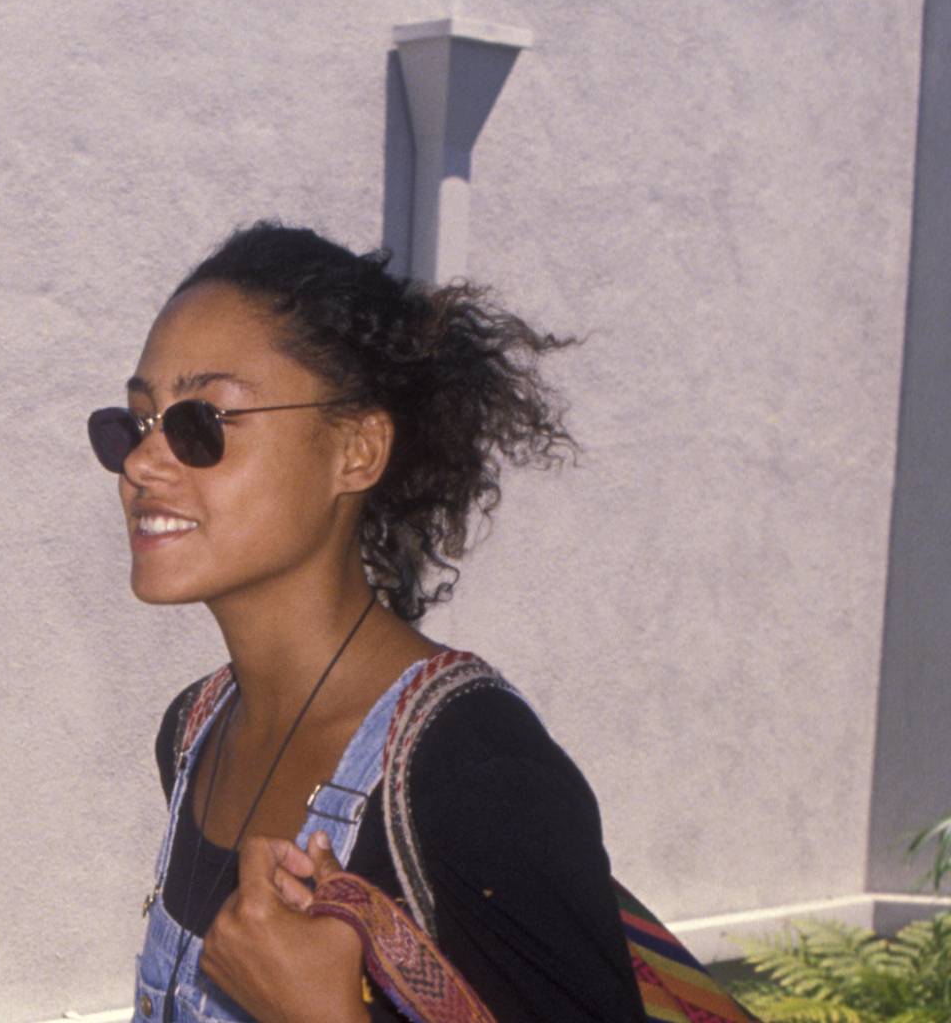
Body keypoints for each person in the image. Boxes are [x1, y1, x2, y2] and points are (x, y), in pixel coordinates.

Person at [89, 224, 645, 1021]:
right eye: (136, 424)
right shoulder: (194, 734)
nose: (143, 464)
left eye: (201, 423)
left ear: (356, 450)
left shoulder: (474, 772)